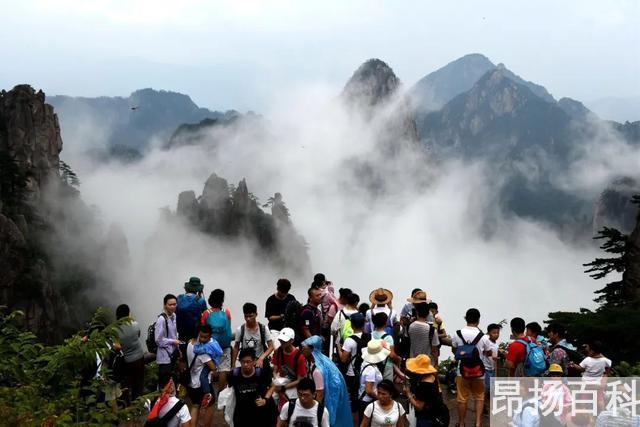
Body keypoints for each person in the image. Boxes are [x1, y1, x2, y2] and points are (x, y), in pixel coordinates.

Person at [451, 308, 492, 427]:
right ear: (478, 320)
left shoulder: (457, 334)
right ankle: (478, 423)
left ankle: (462, 423)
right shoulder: (483, 337)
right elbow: (488, 352)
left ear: (466, 318)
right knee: (479, 397)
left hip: (462, 372)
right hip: (479, 372)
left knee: (462, 398)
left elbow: (455, 350)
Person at [301, 335, 352, 427]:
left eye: (304, 348)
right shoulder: (324, 362)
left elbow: (320, 395)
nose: (302, 350)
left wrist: (314, 413)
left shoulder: (317, 371)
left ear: (312, 349)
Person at [229, 348, 277, 427]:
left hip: (261, 412)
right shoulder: (234, 374)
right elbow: (230, 392)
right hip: (242, 413)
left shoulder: (261, 373)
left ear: (254, 361)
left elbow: (273, 386)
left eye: (248, 362)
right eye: (243, 362)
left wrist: (266, 399)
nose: (245, 365)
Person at [335, 312, 369, 421]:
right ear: (363, 324)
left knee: (354, 399)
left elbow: (343, 359)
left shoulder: (349, 340)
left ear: (352, 325)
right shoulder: (369, 337)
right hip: (366, 371)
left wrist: (338, 348)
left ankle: (354, 421)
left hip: (353, 374)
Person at [185, 324, 218, 426]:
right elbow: (213, 367)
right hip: (201, 384)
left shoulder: (190, 343)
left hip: (191, 382)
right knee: (210, 405)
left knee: (195, 406)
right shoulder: (201, 352)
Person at [404, 354, 449, 427]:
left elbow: (419, 407)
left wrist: (408, 393)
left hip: (428, 419)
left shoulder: (424, 385)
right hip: (441, 414)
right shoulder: (433, 376)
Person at [201, 288, 233, 391]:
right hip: (224, 345)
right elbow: (228, 327)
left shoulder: (206, 313)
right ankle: (221, 392)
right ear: (221, 301)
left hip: (211, 345)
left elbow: (203, 328)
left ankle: (208, 392)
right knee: (223, 370)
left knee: (209, 368)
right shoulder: (226, 312)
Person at [113, 304, 145, 402]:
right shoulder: (135, 324)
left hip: (127, 359)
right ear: (128, 313)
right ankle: (138, 401)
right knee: (138, 381)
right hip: (139, 356)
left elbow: (116, 346)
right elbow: (138, 335)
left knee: (127, 382)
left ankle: (126, 402)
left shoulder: (115, 329)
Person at [231, 302, 274, 375]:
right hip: (246, 362)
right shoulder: (240, 330)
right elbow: (236, 347)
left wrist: (261, 358)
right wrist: (233, 364)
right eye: (246, 316)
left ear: (256, 314)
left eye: (251, 316)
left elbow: (271, 347)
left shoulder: (263, 329)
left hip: (259, 360)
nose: (248, 319)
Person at [273, 327, 308, 410]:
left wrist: (284, 387)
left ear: (292, 341)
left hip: (293, 385)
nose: (282, 343)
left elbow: (300, 380)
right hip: (281, 382)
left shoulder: (299, 357)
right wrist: (277, 380)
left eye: (284, 341)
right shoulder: (279, 351)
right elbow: (275, 369)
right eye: (281, 340)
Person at [357, 339, 390, 423]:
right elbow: (369, 390)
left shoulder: (365, 363)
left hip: (363, 400)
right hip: (368, 402)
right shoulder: (371, 370)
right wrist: (380, 399)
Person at [155, 294, 180, 389]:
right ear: (165, 305)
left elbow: (174, 333)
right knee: (164, 382)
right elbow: (158, 340)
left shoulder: (174, 316)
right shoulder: (161, 320)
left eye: (175, 304)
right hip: (164, 356)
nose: (173, 306)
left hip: (172, 353)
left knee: (170, 380)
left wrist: (177, 348)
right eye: (170, 305)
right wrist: (173, 341)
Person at [176, 276, 207, 346]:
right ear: (198, 289)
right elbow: (206, 315)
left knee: (182, 351)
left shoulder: (179, 298)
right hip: (194, 336)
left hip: (181, 333)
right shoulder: (201, 300)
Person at [371, 312, 401, 381]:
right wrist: (398, 359)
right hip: (386, 365)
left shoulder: (370, 335)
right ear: (385, 322)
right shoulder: (388, 338)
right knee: (386, 387)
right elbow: (392, 355)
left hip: (373, 364)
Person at [481, 323, 501, 398]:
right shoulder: (487, 342)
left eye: (497, 333)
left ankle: (486, 399)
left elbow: (494, 351)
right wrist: (493, 356)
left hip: (492, 367)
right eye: (494, 333)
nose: (496, 335)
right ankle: (483, 401)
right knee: (487, 386)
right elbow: (484, 352)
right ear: (489, 333)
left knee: (490, 385)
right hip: (486, 367)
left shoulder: (496, 343)